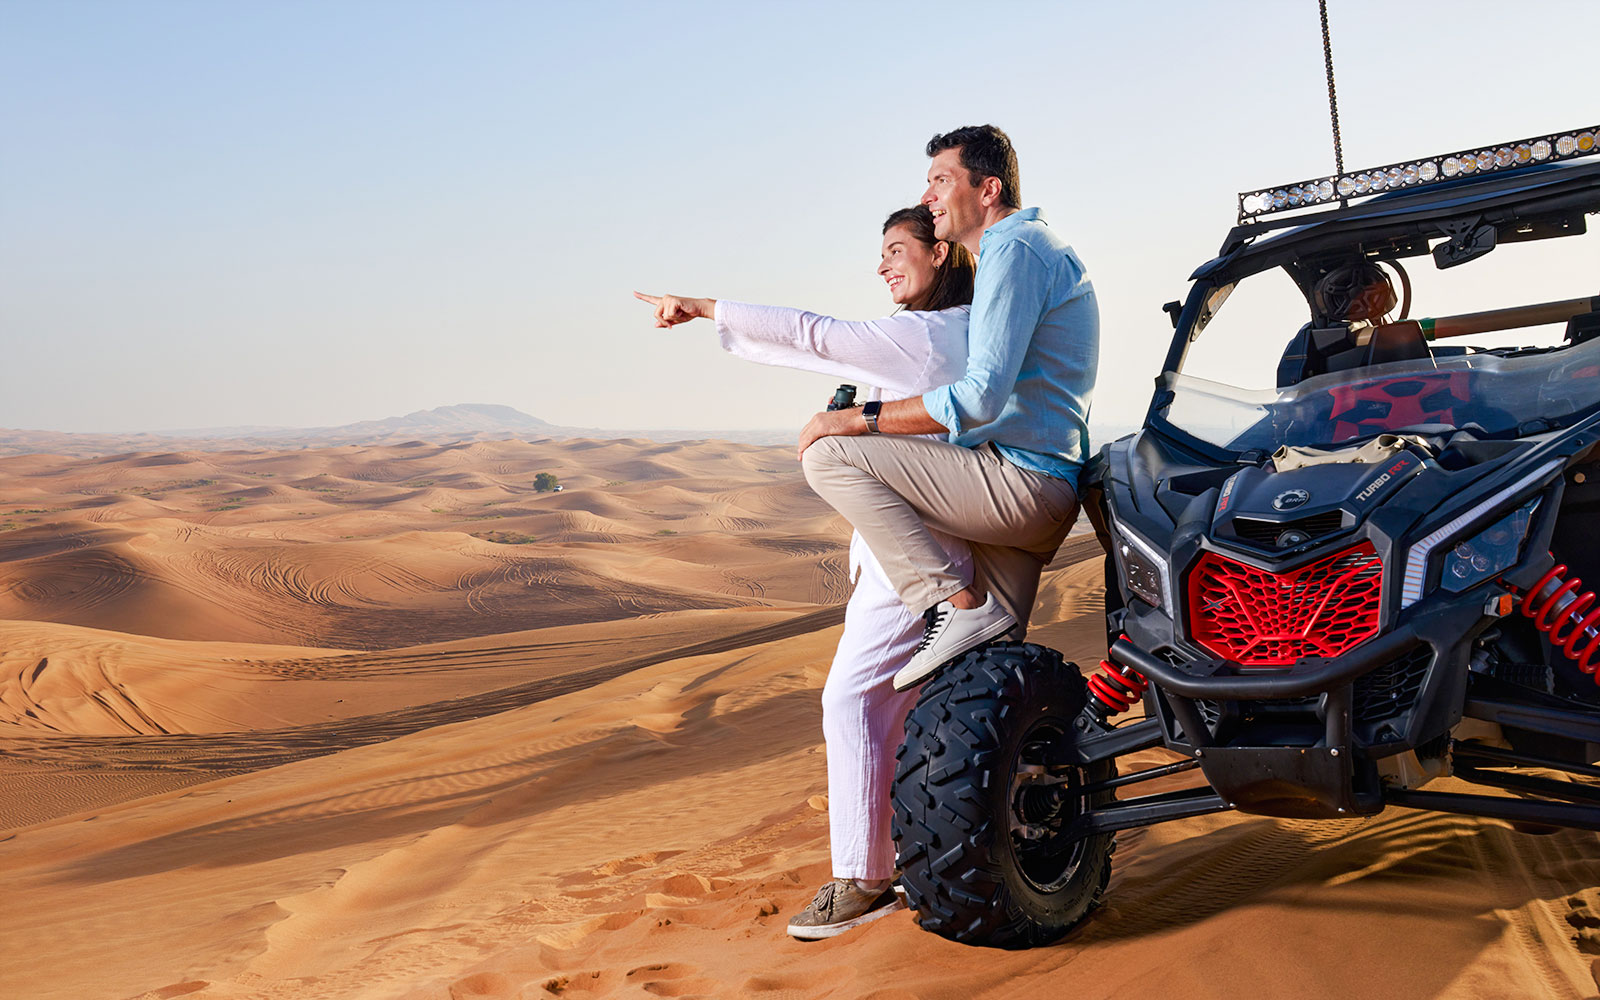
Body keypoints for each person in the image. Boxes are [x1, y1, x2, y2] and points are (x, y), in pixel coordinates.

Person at [634, 205, 978, 940]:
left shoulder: (921, 337)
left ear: (941, 254)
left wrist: (703, 307)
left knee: (851, 701)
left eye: (896, 250)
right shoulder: (962, 334)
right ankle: (920, 853)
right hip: (940, 544)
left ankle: (864, 878)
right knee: (906, 710)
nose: (883, 265)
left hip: (917, 558)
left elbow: (812, 335)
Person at [798, 124, 1099, 691]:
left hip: (1021, 482)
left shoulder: (1014, 247)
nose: (927, 197)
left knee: (830, 454)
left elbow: (979, 398)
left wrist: (858, 420)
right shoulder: (1034, 248)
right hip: (1043, 484)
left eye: (941, 180)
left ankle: (948, 601)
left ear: (987, 190)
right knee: (985, 683)